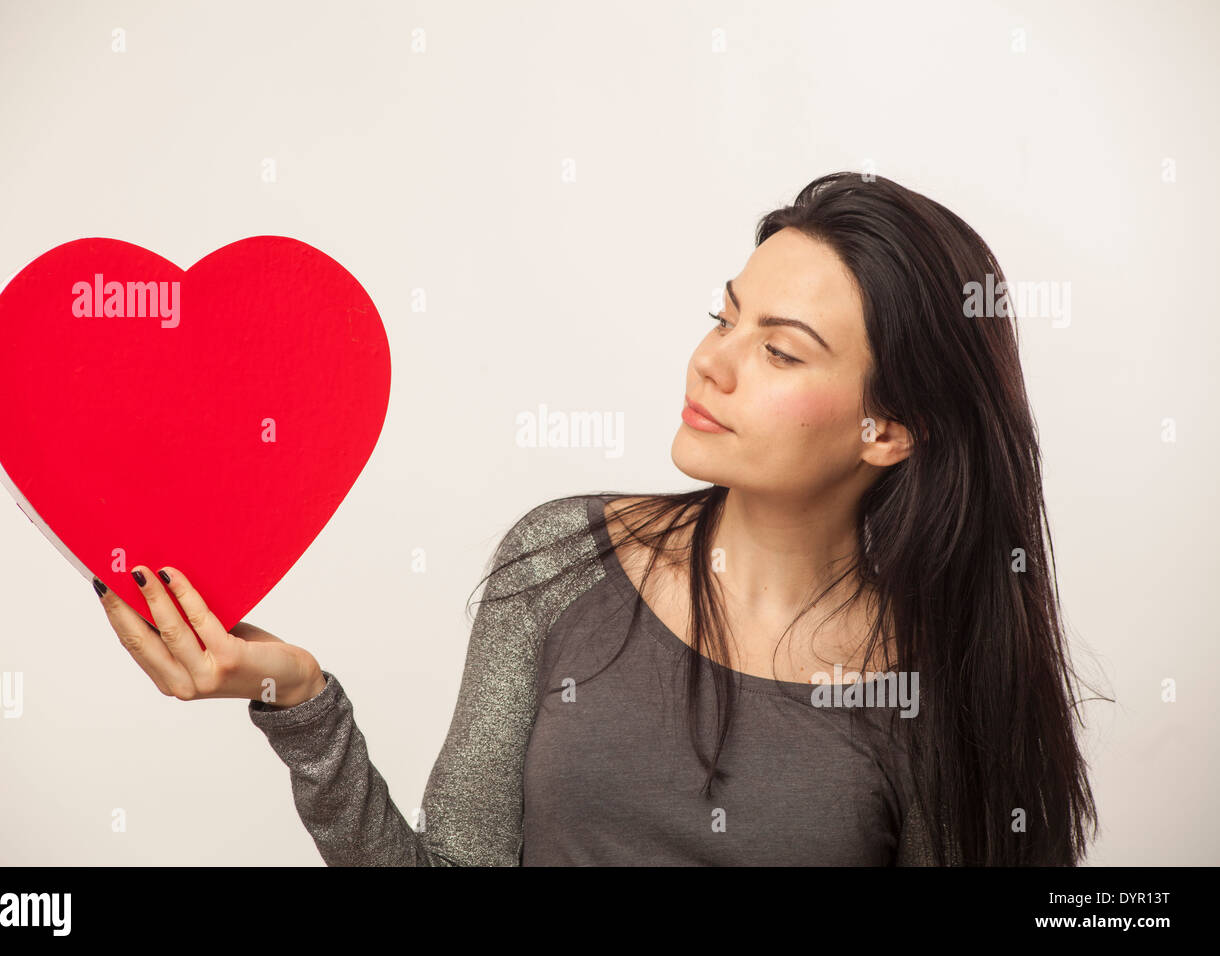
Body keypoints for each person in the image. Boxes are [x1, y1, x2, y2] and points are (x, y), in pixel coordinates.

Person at [93, 172, 1101, 865]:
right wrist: (296, 694)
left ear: (888, 431)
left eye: (781, 351)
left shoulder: (927, 682)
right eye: (724, 317)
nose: (712, 360)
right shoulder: (563, 556)